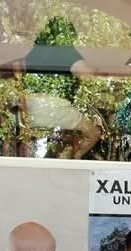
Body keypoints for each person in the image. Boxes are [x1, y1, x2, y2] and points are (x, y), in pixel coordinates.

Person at [22, 16, 100, 159]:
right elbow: (88, 76)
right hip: (54, 109)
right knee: (93, 132)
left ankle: (59, 155)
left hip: (29, 111)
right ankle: (71, 158)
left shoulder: (34, 52)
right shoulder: (65, 51)